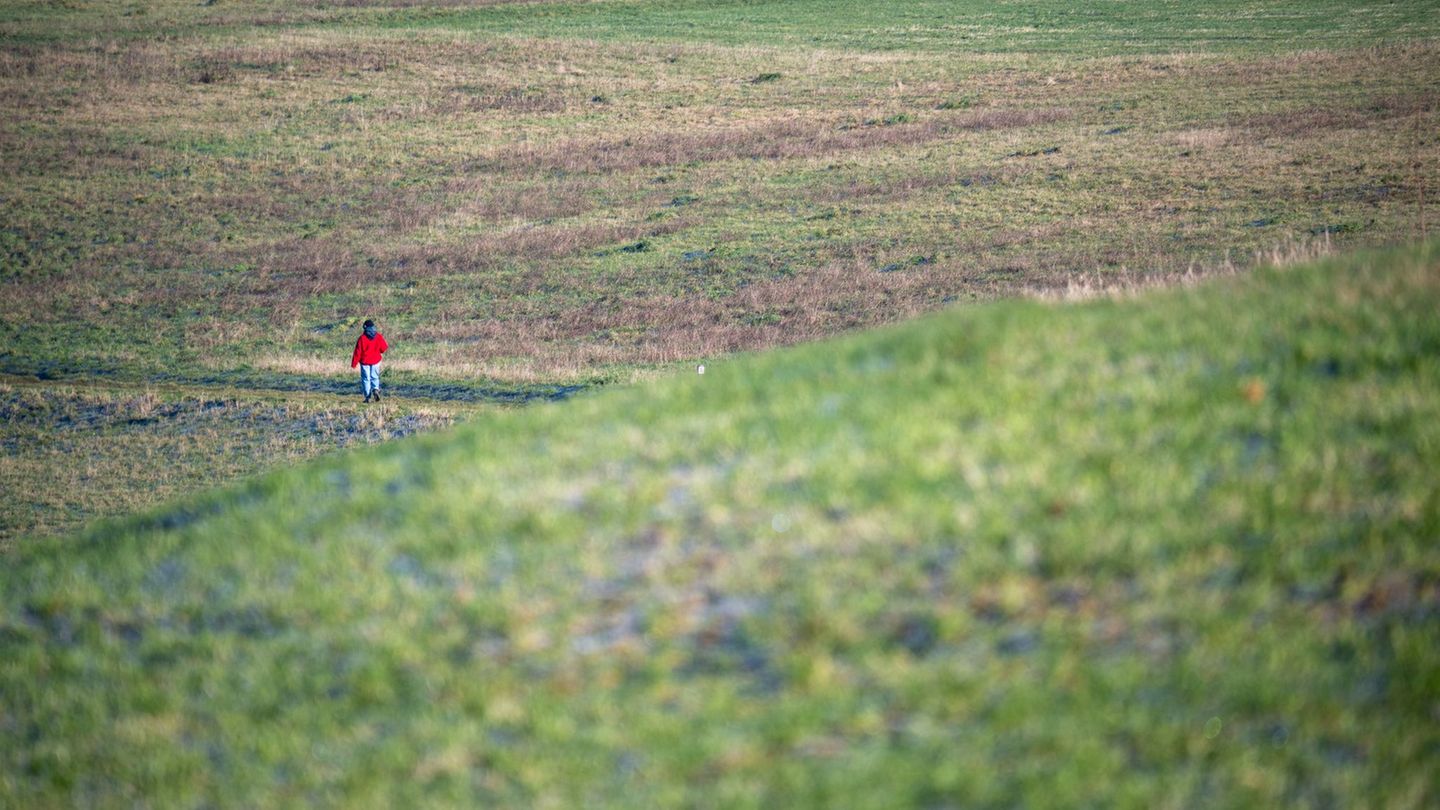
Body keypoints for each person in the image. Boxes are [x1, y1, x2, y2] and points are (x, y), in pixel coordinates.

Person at [351, 319, 388, 402]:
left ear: (365, 327)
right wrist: (379, 351)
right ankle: (375, 389)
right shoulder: (378, 336)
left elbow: (357, 352)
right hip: (375, 360)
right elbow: (384, 348)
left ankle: (368, 397)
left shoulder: (362, 338)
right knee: (375, 377)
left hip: (364, 362)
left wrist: (354, 363)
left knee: (366, 379)